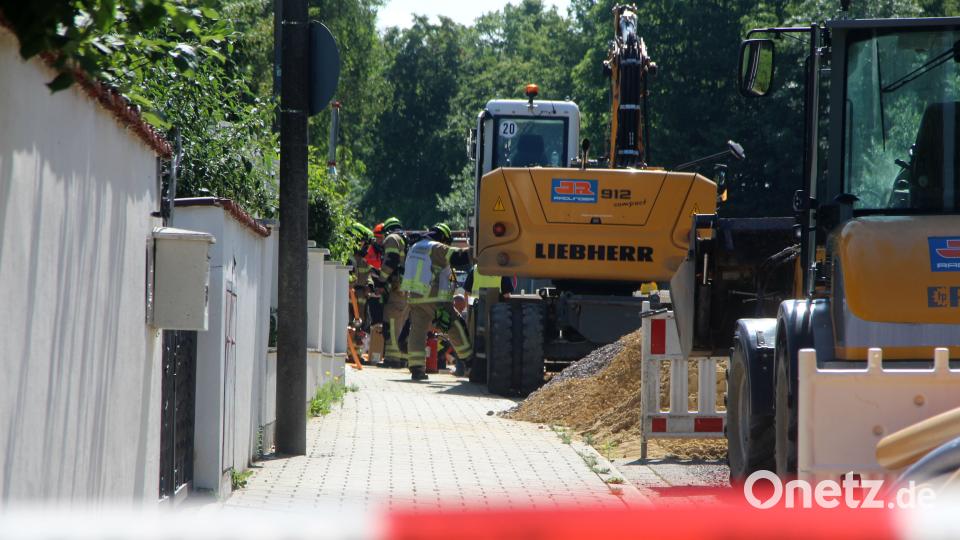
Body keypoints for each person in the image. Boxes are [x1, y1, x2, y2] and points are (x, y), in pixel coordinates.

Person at [400, 223, 473, 380]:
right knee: (454, 325)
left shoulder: (415, 246)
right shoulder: (435, 247)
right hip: (434, 297)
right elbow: (458, 257)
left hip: (415, 297)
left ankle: (416, 369)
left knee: (417, 331)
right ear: (444, 238)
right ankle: (469, 360)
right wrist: (478, 251)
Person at [374, 217, 409, 367]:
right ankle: (401, 358)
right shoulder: (403, 239)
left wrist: (381, 281)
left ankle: (392, 359)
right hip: (404, 289)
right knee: (400, 322)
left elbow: (390, 261)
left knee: (392, 323)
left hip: (396, 288)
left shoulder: (392, 238)